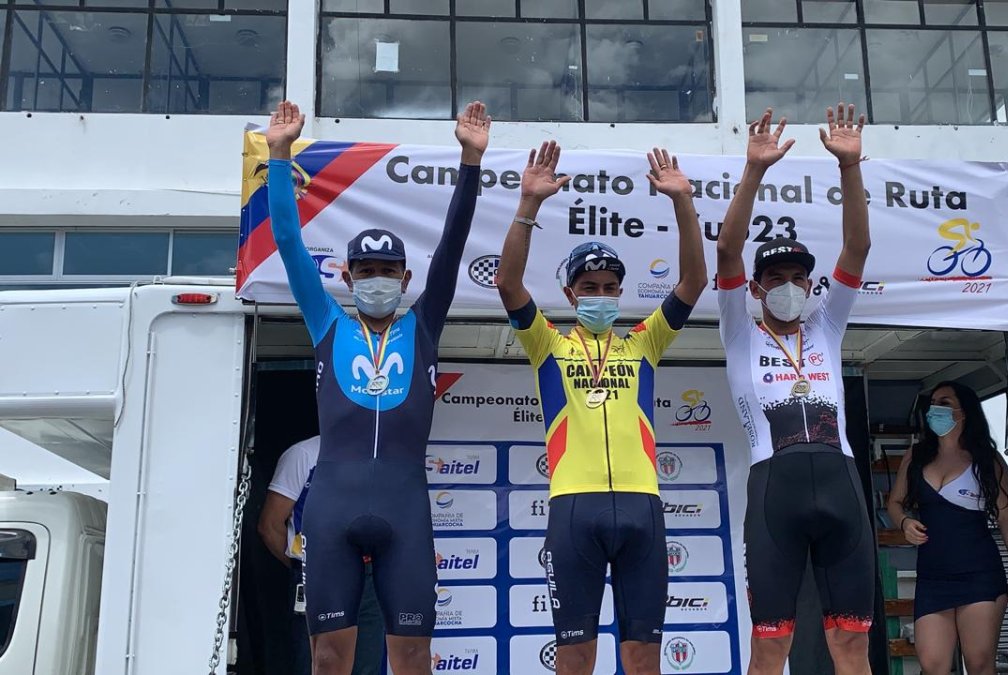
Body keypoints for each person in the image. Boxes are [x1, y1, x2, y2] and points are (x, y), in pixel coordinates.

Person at [264, 99, 489, 675]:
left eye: (388, 272)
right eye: (365, 272)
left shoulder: (423, 323)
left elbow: (454, 243)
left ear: (405, 278)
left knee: (412, 654)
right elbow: (288, 242)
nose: (377, 281)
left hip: (404, 508)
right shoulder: (328, 322)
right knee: (329, 656)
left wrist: (470, 160)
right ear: (347, 276)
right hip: (333, 508)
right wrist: (281, 151)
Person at [495, 143, 707, 675]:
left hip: (643, 508)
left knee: (642, 658)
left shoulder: (643, 342)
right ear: (570, 294)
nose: (601, 296)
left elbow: (693, 283)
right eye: (589, 287)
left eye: (610, 288)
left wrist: (682, 202)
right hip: (573, 510)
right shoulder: (549, 344)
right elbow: (508, 284)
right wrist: (528, 206)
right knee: (575, 657)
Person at [714, 104, 873, 675]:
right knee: (770, 644)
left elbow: (856, 249)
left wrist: (849, 168)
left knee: (852, 644)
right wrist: (753, 171)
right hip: (772, 489)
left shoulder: (826, 327)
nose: (787, 287)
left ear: (812, 285)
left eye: (797, 278)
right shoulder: (739, 331)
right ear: (756, 288)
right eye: (775, 279)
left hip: (841, 484)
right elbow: (727, 251)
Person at [886, 382, 1008, 675]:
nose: (936, 408)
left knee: (979, 662)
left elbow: (1006, 517)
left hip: (979, 573)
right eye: (933, 402)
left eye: (945, 403)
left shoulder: (988, 460)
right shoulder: (916, 456)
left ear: (964, 412)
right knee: (932, 663)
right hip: (933, 575)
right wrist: (904, 522)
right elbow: (895, 503)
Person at [258, 436, 386, 675]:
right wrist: (301, 567)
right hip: (320, 579)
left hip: (369, 579)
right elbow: (270, 525)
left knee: (365, 666)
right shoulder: (303, 454)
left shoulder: (382, 457)